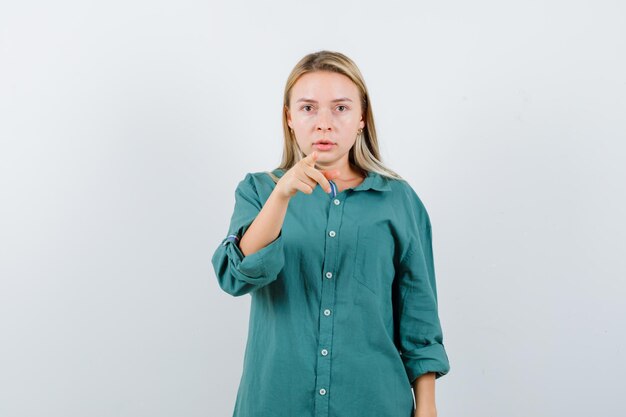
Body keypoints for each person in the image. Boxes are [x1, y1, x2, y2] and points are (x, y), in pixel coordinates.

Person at [211, 50, 450, 417]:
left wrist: (427, 408)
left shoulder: (398, 200)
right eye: (308, 108)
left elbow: (419, 316)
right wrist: (283, 194)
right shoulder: (259, 191)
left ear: (361, 118)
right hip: (275, 403)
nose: (324, 123)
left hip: (374, 404)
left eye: (340, 108)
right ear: (289, 118)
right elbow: (235, 277)